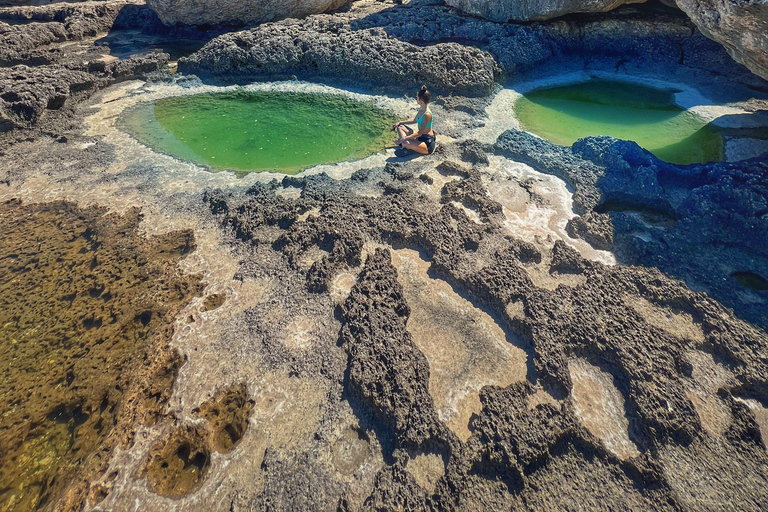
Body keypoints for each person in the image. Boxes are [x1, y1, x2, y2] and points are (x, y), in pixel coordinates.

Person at [392, 85, 436, 155]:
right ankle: (407, 146)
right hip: (419, 138)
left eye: (417, 98)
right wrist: (400, 122)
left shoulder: (427, 114)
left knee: (405, 142)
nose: (416, 99)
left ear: (421, 101)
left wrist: (404, 138)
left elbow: (419, 133)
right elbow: (414, 120)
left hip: (427, 143)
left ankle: (407, 148)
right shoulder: (421, 109)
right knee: (400, 126)